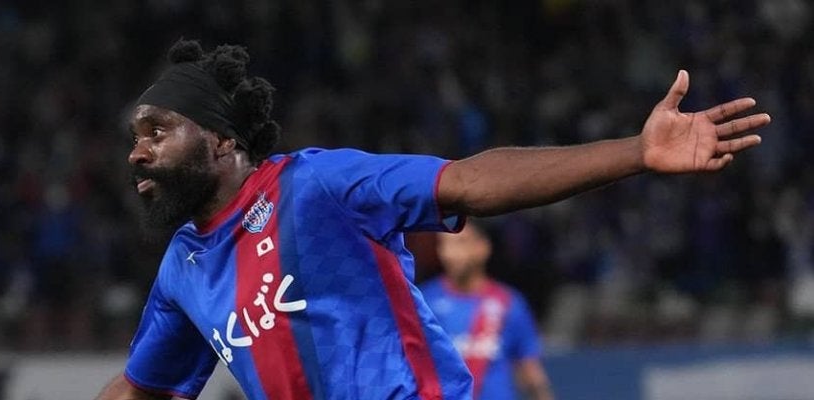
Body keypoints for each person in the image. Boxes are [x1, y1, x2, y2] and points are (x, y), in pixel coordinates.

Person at [95, 39, 770, 400]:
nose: (137, 151)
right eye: (134, 136)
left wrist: (636, 153)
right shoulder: (184, 267)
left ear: (221, 140)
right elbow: (141, 389)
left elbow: (469, 181)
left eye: (157, 130)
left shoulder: (315, 184)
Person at [421, 223, 553, 400]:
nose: (451, 253)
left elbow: (530, 369)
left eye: (461, 242)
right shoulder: (424, 302)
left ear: (482, 248)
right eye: (444, 244)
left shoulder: (508, 302)